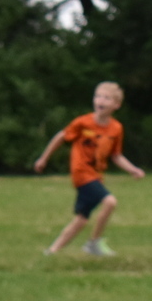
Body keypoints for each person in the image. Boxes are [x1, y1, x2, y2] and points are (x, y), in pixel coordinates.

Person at [34, 82, 145, 256]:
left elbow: (116, 155)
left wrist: (133, 169)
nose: (100, 100)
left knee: (81, 219)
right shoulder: (83, 123)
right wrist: (43, 158)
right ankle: (93, 244)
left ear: (116, 105)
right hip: (81, 173)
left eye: (106, 98)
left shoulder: (116, 128)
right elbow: (61, 137)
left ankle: (52, 251)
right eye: (98, 96)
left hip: (96, 176)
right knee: (110, 202)